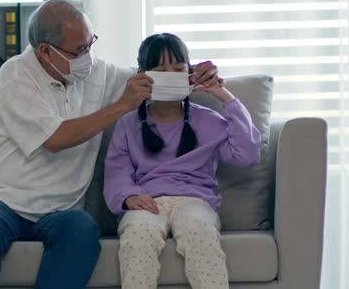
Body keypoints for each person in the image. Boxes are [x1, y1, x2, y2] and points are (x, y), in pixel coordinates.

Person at [0, 0, 221, 289]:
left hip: (61, 210)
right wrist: (120, 106)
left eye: (91, 43)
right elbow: (55, 139)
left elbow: (154, 78)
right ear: (46, 51)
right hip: (2, 200)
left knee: (83, 230)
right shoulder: (15, 75)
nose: (88, 56)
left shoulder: (98, 73)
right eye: (80, 49)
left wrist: (194, 73)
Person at [103, 33, 261, 289]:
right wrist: (129, 197)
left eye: (178, 69)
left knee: (199, 228)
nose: (171, 75)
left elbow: (248, 154)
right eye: (161, 70)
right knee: (137, 233)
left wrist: (224, 96)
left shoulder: (208, 120)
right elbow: (116, 173)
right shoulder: (128, 124)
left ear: (189, 73)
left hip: (195, 201)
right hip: (147, 202)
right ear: (144, 75)